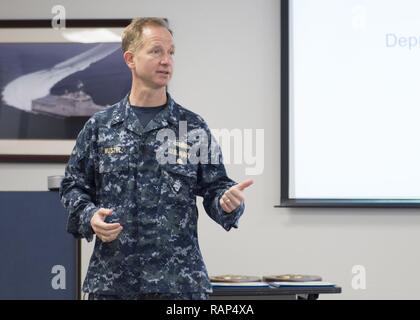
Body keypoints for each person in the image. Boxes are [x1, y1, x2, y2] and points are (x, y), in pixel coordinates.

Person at [59, 17, 253, 300]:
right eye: (156, 51)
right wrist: (90, 217)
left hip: (178, 284)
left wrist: (227, 201)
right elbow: (72, 187)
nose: (166, 60)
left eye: (171, 52)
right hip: (113, 284)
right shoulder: (100, 127)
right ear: (130, 59)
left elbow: (216, 188)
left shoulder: (190, 127)